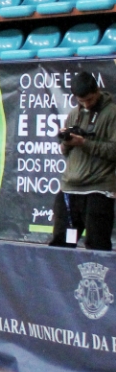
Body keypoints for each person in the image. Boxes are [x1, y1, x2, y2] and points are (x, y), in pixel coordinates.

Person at [49, 71, 116, 251]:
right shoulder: (74, 114)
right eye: (81, 101)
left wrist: (84, 143)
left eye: (90, 100)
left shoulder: (112, 113)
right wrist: (66, 141)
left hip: (98, 189)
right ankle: (58, 280)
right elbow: (65, 153)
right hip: (70, 188)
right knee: (60, 244)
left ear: (97, 90)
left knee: (97, 246)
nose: (86, 104)